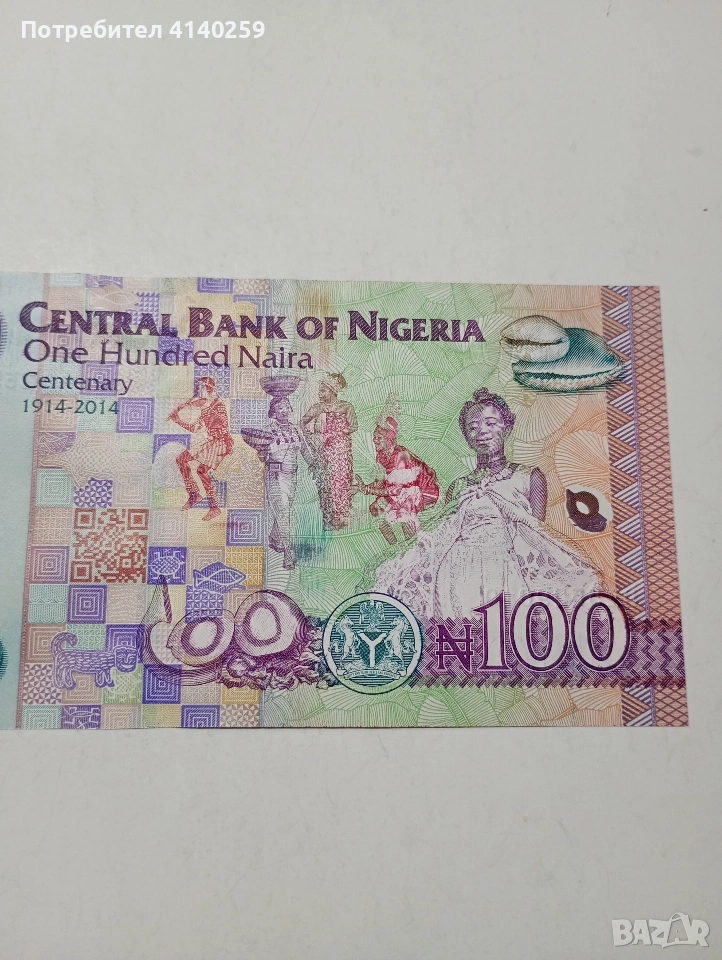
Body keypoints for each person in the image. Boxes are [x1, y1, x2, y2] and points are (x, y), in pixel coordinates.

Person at [374, 388, 599, 618]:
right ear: (466, 437)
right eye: (473, 427)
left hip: (505, 570)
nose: (482, 431)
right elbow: (444, 535)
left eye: (491, 423)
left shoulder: (528, 477)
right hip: (457, 575)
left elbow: (536, 535)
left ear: (507, 428)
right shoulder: (459, 486)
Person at [355, 412, 439, 544]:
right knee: (375, 508)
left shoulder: (400, 456)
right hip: (402, 490)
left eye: (379, 437)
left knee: (404, 510)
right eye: (374, 436)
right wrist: (361, 487)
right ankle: (394, 546)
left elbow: (395, 490)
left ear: (389, 439)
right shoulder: (382, 456)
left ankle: (412, 544)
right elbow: (382, 482)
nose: (375, 440)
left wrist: (367, 490)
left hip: (423, 491)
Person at [259, 395, 313, 570]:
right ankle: (288, 554)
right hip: (275, 475)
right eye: (280, 407)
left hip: (292, 476)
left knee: (284, 509)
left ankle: (275, 539)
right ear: (273, 412)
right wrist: (261, 453)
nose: (284, 410)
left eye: (286, 406)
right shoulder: (268, 430)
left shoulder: (295, 429)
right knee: (283, 512)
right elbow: (261, 455)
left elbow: (304, 449)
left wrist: (314, 464)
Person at [168, 377, 233, 521]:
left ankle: (214, 507)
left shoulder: (217, 404)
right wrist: (178, 420)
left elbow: (222, 423)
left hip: (221, 442)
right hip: (210, 441)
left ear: (208, 389)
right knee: (181, 460)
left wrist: (202, 406)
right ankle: (194, 494)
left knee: (201, 471)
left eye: (201, 388)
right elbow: (195, 428)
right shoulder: (204, 407)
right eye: (197, 388)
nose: (198, 391)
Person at [300, 374, 358, 530]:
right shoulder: (317, 408)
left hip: (342, 454)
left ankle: (342, 519)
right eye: (319, 391)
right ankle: (328, 519)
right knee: (326, 485)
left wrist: (336, 434)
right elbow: (302, 422)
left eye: (323, 391)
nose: (319, 394)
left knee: (342, 483)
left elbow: (354, 426)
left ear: (332, 391)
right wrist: (311, 438)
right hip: (323, 453)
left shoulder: (346, 406)